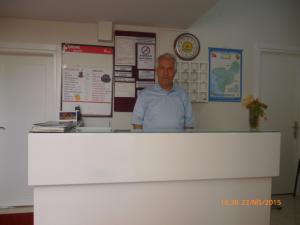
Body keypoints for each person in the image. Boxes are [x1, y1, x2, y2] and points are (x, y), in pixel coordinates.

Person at [131, 53, 194, 130]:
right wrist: (143, 141)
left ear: (174, 72)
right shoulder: (144, 94)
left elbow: (189, 123)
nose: (165, 73)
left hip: (177, 141)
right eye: (162, 68)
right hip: (151, 142)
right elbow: (137, 122)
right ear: (157, 71)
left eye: (169, 69)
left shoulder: (183, 95)